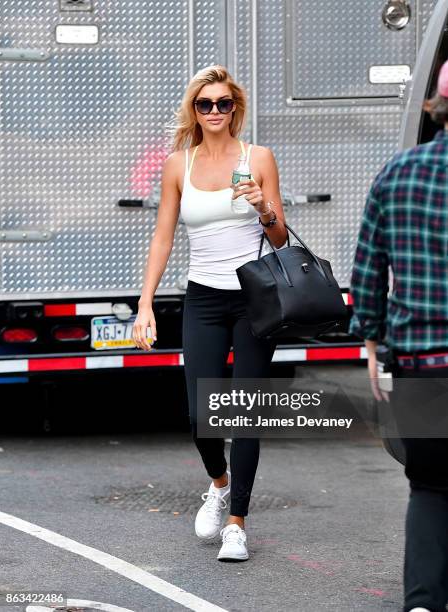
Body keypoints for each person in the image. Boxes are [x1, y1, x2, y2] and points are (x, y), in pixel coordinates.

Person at [132, 65, 287, 562]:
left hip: (254, 298)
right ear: (194, 111)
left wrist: (262, 205)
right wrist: (145, 304)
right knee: (201, 415)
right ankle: (219, 485)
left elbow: (280, 237)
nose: (215, 111)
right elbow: (163, 236)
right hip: (202, 297)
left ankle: (237, 524)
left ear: (235, 108)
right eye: (206, 104)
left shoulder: (258, 157)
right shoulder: (180, 164)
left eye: (223, 103)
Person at [349, 59, 448, 612]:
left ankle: (423, 603)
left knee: (432, 487)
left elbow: (368, 267)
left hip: (422, 361)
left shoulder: (397, 174)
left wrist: (370, 340)